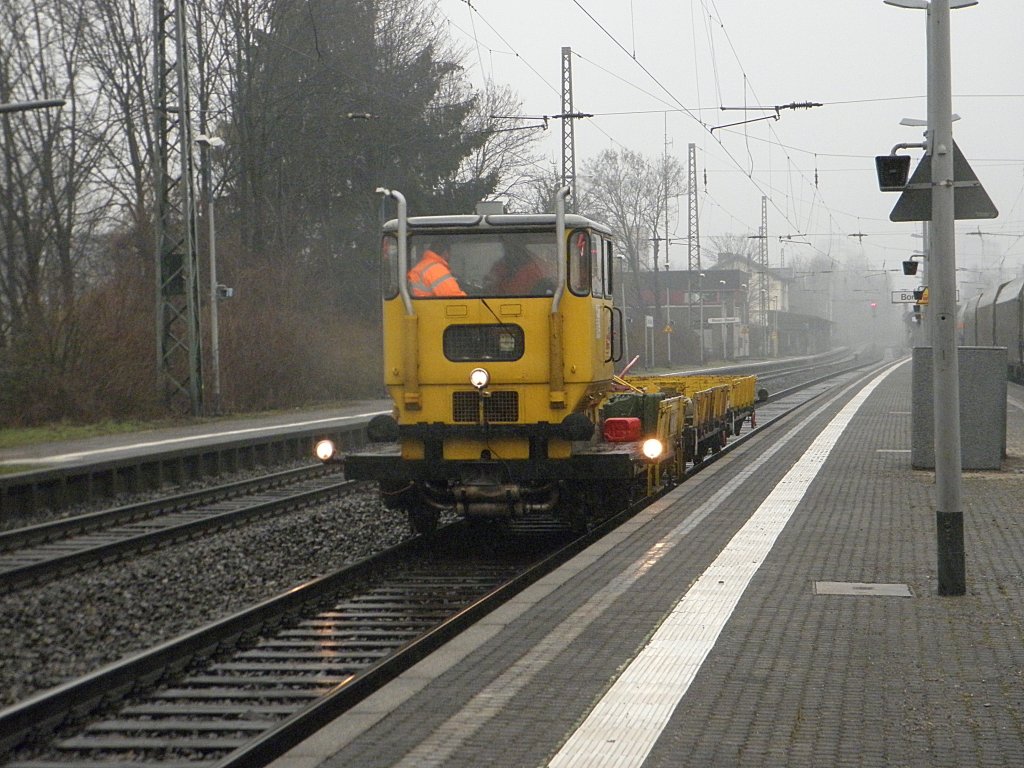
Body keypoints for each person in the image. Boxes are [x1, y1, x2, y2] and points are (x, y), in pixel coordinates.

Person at [486, 245, 555, 296]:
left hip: (532, 306)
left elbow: (549, 287)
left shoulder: (538, 267)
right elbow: (490, 288)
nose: (511, 250)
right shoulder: (499, 266)